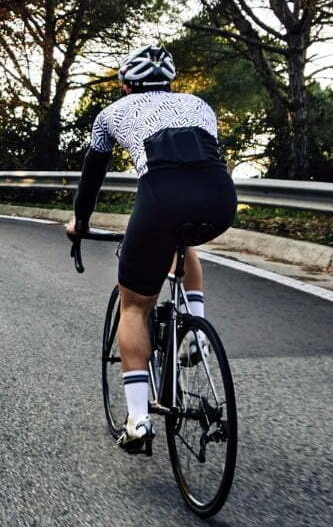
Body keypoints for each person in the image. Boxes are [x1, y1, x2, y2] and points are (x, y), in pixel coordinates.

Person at [66, 45, 237, 451]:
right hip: (220, 200)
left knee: (134, 306)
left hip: (161, 199)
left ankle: (139, 419)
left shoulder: (110, 115)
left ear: (126, 84)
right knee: (184, 241)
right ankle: (195, 330)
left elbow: (92, 177)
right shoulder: (199, 104)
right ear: (170, 82)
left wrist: (81, 224)